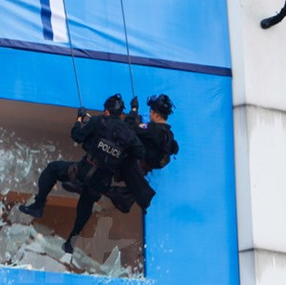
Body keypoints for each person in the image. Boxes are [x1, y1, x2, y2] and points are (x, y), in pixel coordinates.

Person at [19, 94, 144, 254]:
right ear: (121, 114)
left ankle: (38, 205)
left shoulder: (99, 121)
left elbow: (77, 136)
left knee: (52, 169)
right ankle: (71, 241)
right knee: (86, 204)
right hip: (102, 182)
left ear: (107, 111)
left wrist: (79, 119)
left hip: (84, 172)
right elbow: (139, 152)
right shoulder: (129, 133)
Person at [105, 94, 179, 213]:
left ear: (156, 114)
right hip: (152, 165)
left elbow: (128, 128)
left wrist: (134, 110)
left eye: (151, 112)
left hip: (138, 164)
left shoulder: (152, 129)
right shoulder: (169, 134)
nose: (149, 114)